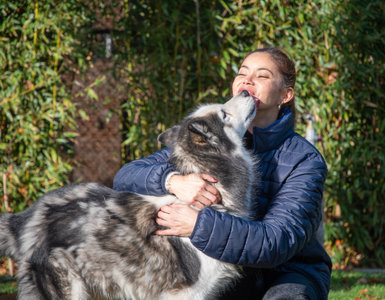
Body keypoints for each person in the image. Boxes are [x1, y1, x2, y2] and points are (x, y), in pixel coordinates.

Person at [113, 47, 332, 299]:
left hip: (288, 272)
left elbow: (276, 242)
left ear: (285, 95)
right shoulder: (208, 134)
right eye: (242, 73)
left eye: (262, 76)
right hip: (225, 264)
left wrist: (198, 225)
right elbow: (126, 176)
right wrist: (172, 181)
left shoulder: (305, 160)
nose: (248, 80)